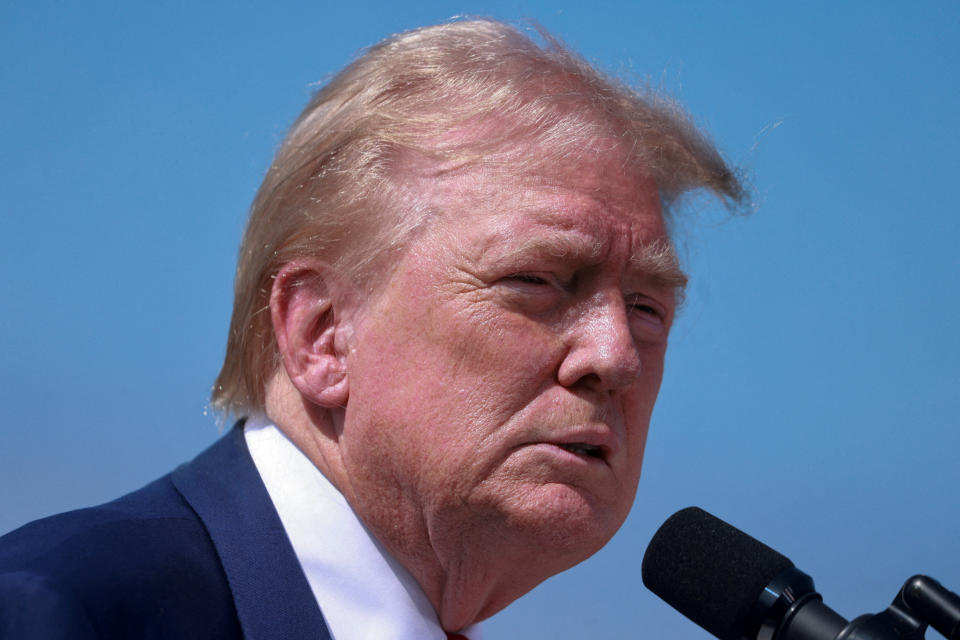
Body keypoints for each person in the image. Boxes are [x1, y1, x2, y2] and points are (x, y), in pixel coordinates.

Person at [0, 18, 744, 639]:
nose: (614, 356)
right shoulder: (61, 613)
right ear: (322, 333)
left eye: (648, 307)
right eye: (540, 281)